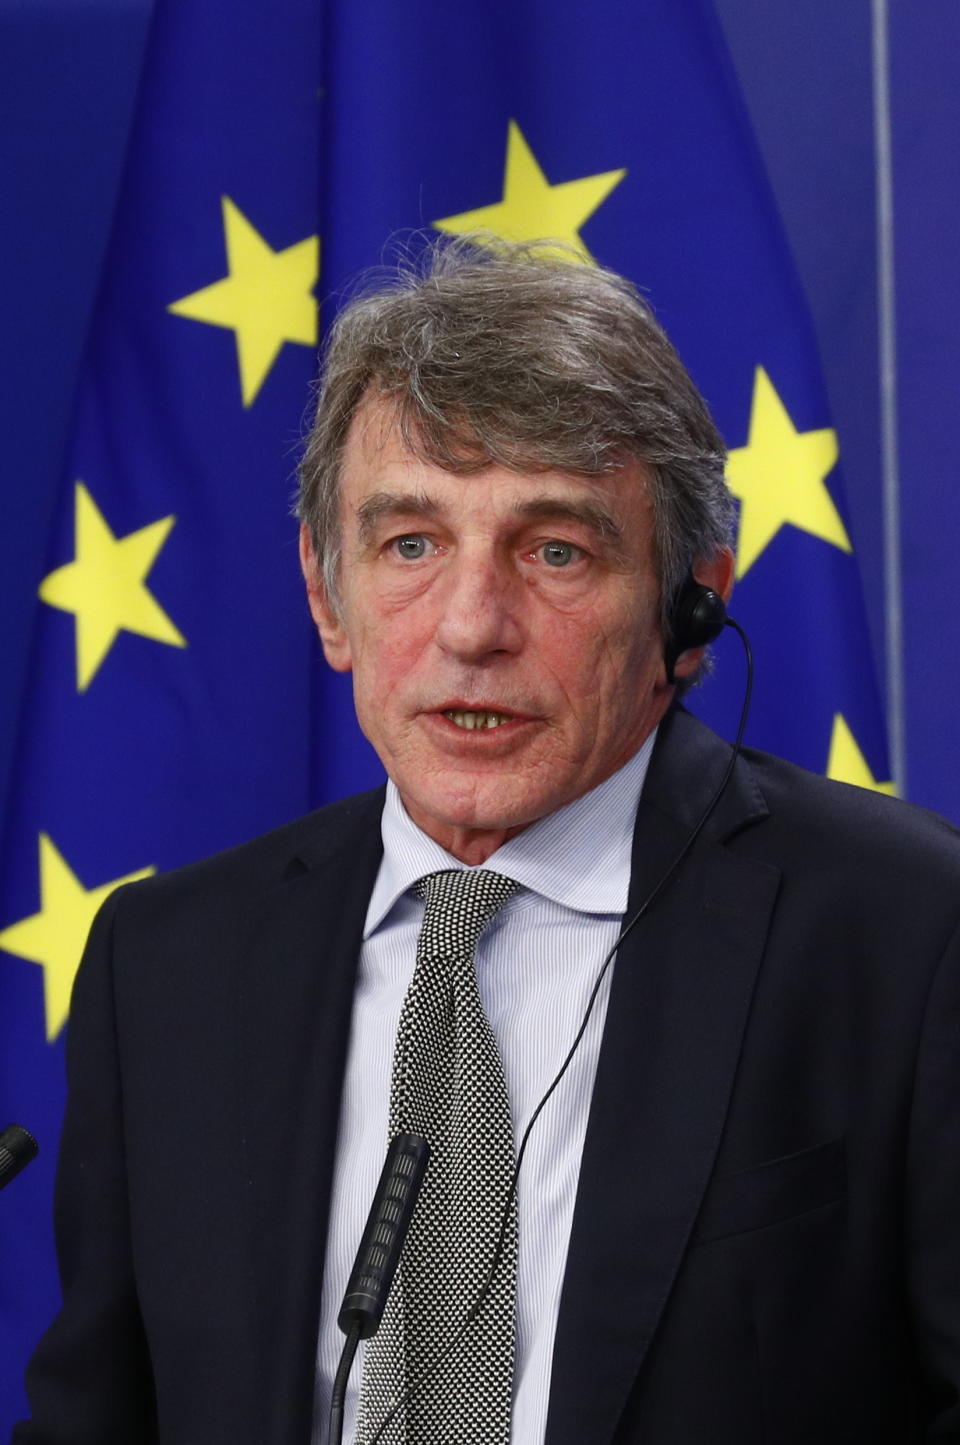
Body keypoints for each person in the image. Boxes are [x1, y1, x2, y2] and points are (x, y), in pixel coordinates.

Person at [15, 240, 960, 1445]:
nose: (471, 626)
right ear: (326, 594)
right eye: (409, 544)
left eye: (554, 549)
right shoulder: (169, 965)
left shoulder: (908, 934)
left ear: (692, 606)